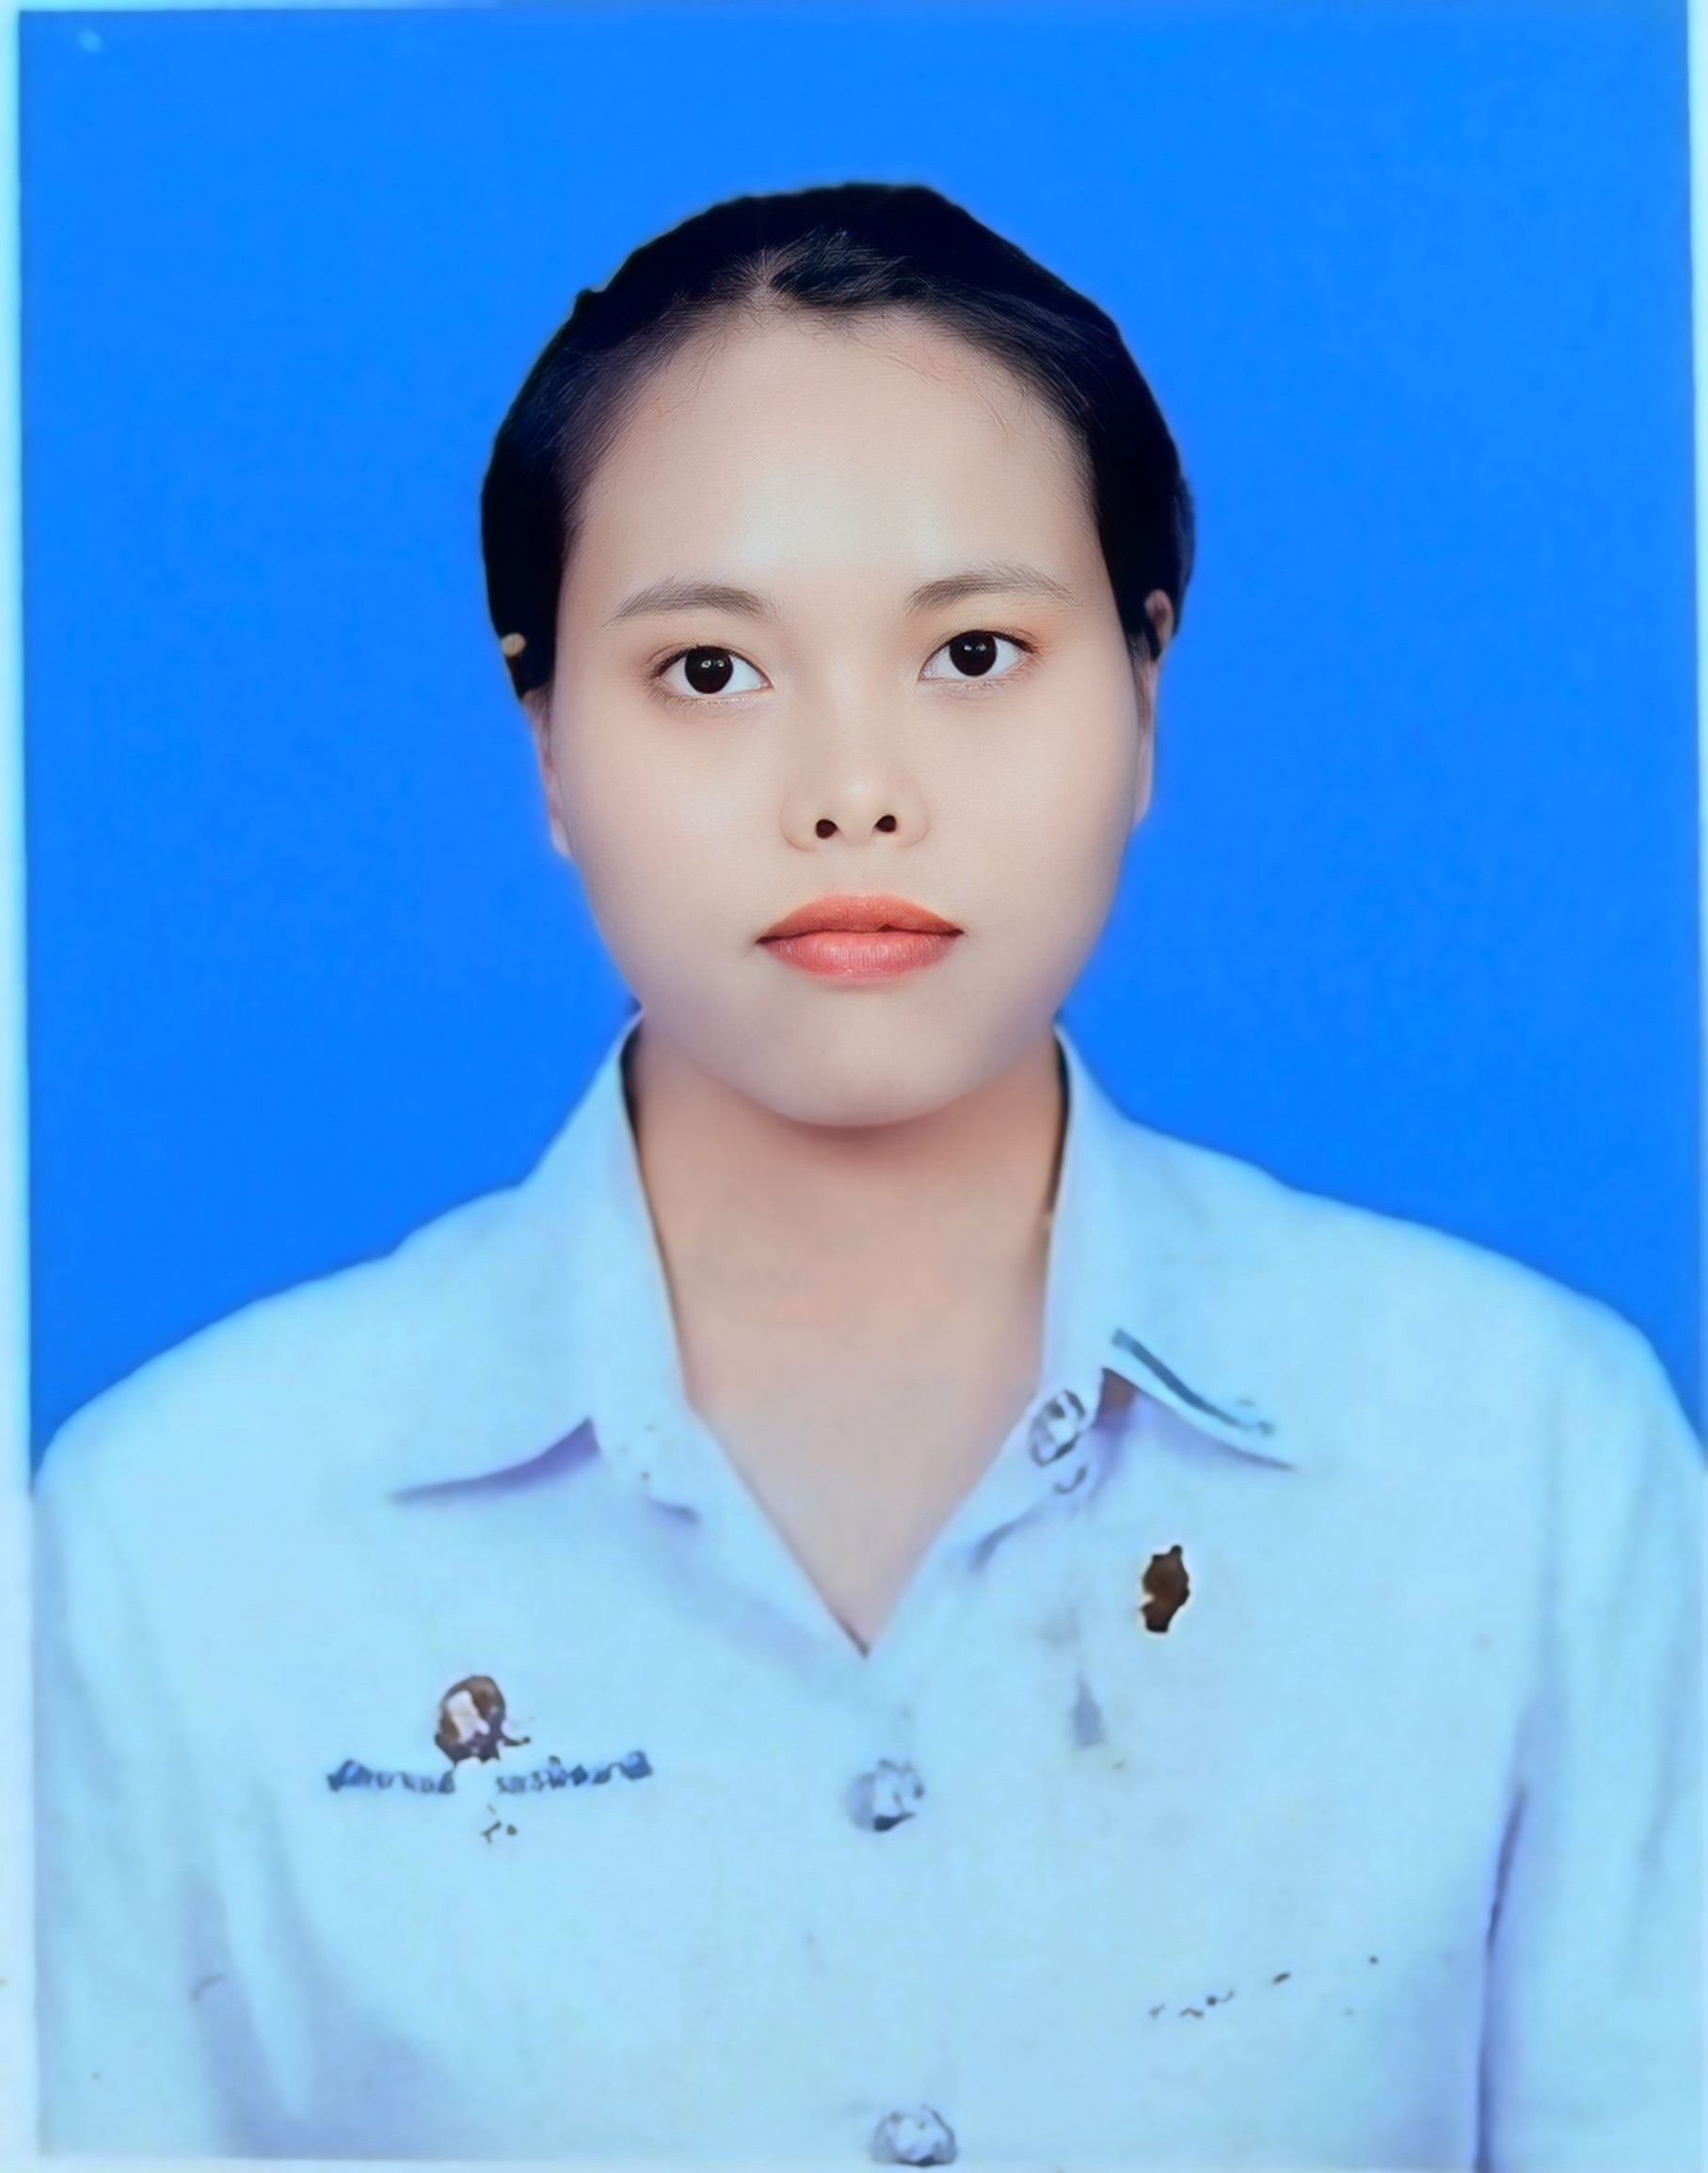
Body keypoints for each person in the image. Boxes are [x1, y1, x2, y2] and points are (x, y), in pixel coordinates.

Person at [34, 183, 1700, 2167]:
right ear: (545, 738)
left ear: (1145, 692)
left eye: (975, 652)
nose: (852, 792)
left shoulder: (1526, 1461)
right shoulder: (172, 1544)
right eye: (708, 672)